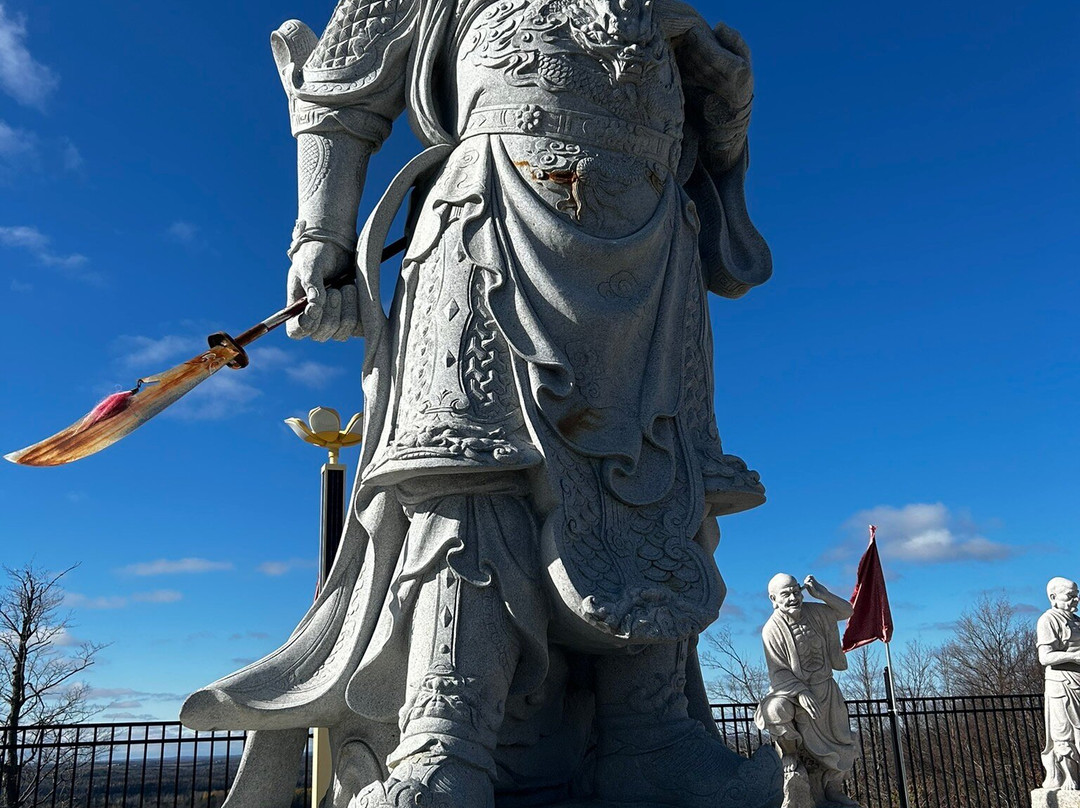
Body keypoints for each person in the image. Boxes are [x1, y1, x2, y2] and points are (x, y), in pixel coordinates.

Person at [180, 0, 775, 804]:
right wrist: (320, 233)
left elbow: (710, 148)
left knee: (652, 477)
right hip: (492, 214)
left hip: (651, 241)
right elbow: (341, 87)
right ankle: (444, 733)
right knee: (468, 461)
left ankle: (653, 730)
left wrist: (724, 94)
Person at [755, 574, 858, 808]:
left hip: (825, 687)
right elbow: (778, 672)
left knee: (841, 742)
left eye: (796, 591)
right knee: (774, 710)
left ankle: (832, 789)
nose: (793, 598)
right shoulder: (771, 630)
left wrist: (823, 594)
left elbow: (847, 611)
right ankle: (789, 753)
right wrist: (800, 692)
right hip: (793, 693)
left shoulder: (817, 612)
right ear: (773, 599)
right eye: (786, 594)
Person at [1038, 576, 1080, 790]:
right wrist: (1073, 657)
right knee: (1064, 733)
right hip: (1061, 684)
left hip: (1078, 681)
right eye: (1070, 596)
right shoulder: (1048, 619)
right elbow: (1044, 657)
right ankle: (1069, 779)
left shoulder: (1077, 621)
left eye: (1077, 595)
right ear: (1053, 597)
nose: (1076, 600)